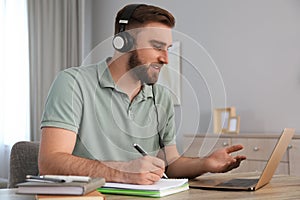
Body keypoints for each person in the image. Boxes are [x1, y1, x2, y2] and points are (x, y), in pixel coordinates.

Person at [39, 4, 246, 185]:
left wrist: (205, 164)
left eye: (168, 49)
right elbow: (50, 162)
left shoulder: (162, 98)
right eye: (157, 46)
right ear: (124, 42)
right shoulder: (73, 83)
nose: (165, 59)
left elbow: (171, 164)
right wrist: (123, 172)